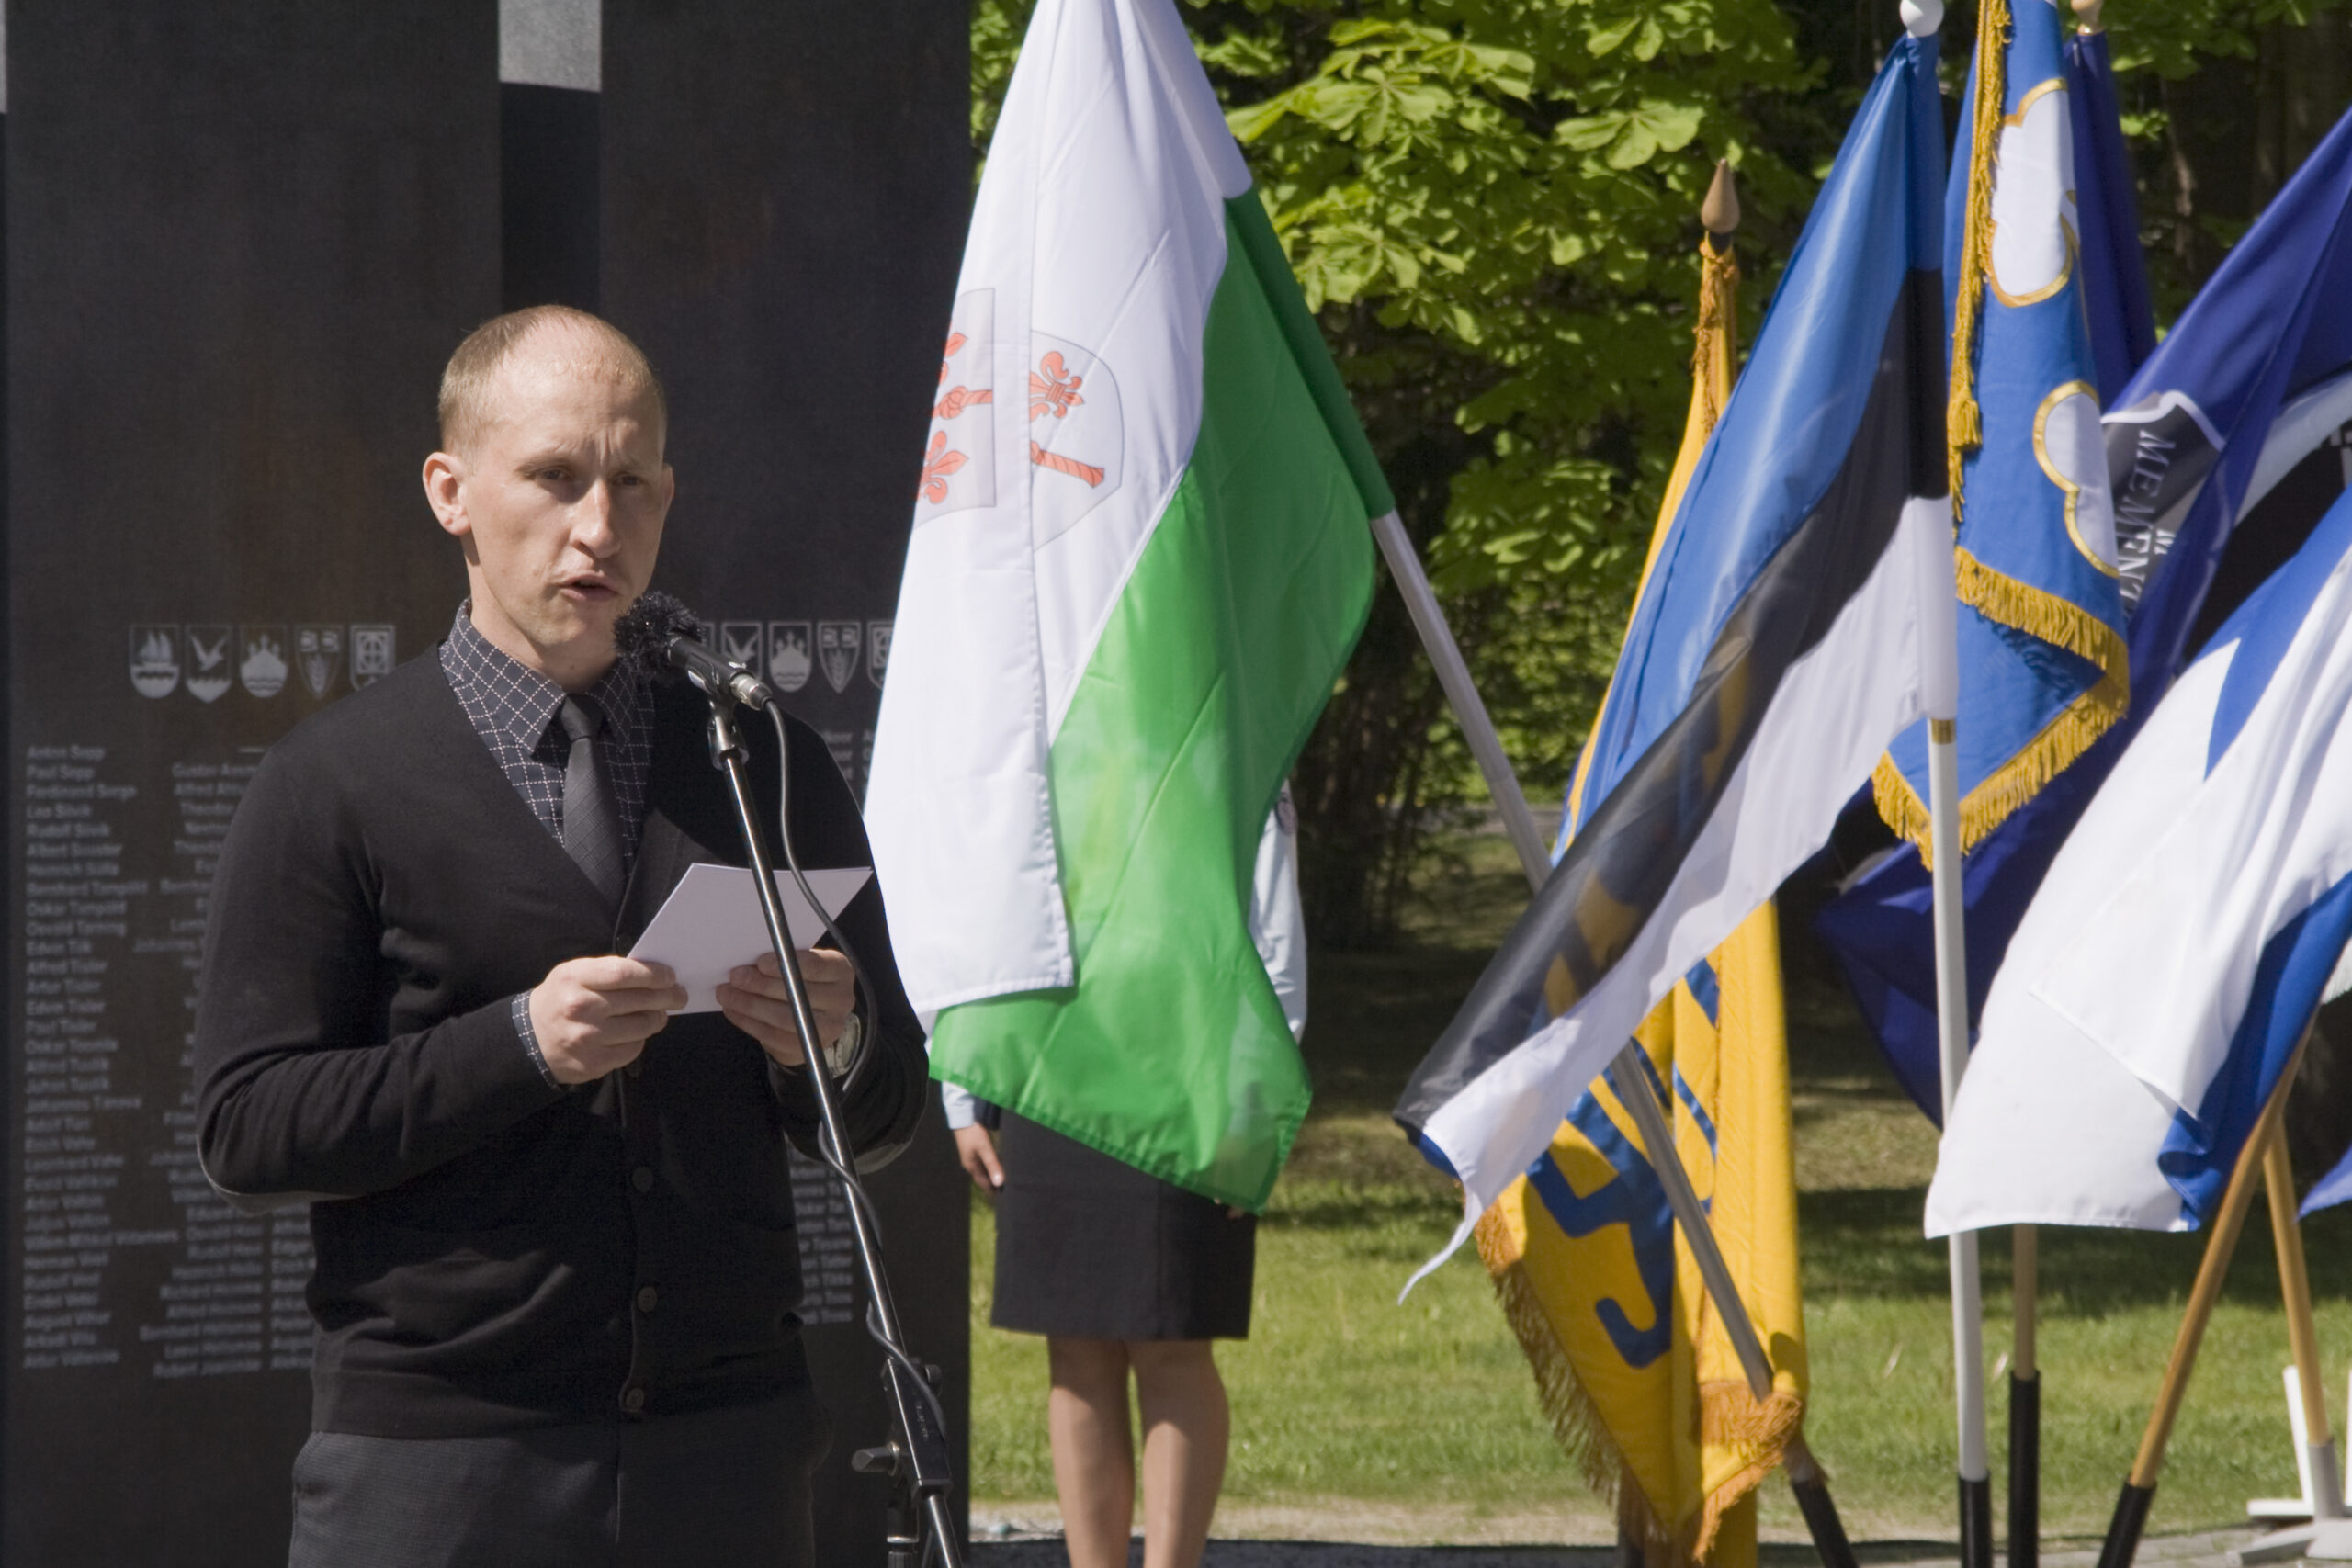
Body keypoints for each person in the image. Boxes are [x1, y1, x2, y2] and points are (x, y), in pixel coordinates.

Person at [192, 304, 929, 1568]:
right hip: (446, 1463)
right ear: (452, 492)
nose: (599, 527)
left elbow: (888, 1110)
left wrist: (837, 1037)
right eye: (554, 477)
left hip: (728, 1450)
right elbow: (249, 1127)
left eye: (631, 483)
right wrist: (520, 1045)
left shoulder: (759, 757)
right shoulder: (333, 783)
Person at [947, 790, 1306, 1568]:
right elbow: (985, 899)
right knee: (1075, 1349)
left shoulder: (1219, 724)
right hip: (1048, 1061)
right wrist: (961, 1087)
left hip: (1189, 1068)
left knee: (1171, 1343)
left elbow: (1271, 912)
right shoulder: (1024, 735)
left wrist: (1256, 1096)